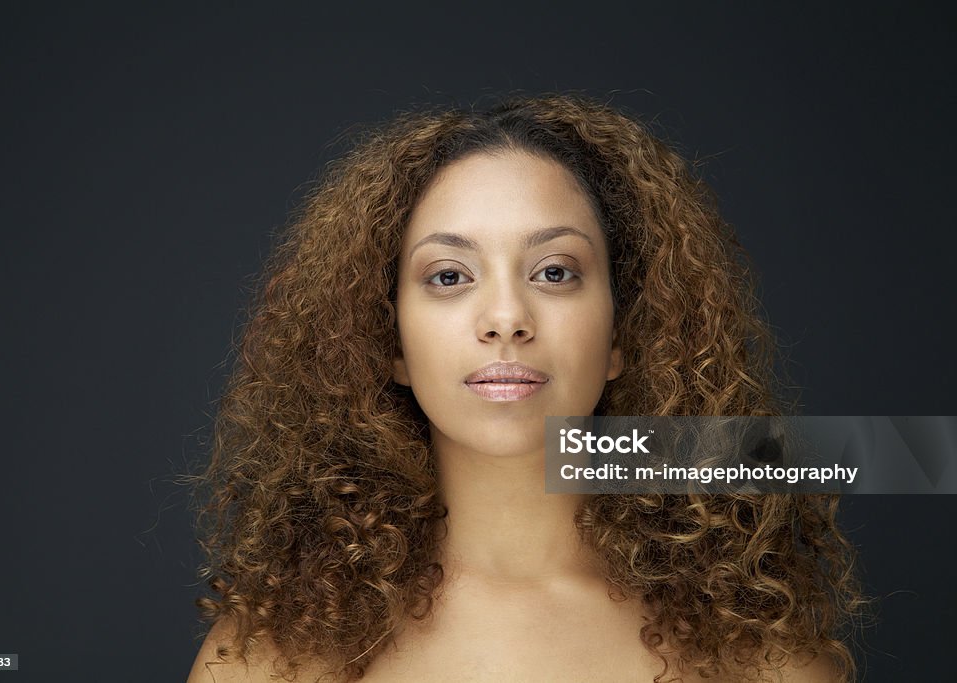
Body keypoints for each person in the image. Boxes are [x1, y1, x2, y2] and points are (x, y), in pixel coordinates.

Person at [185, 93, 863, 682]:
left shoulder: (759, 653)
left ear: (623, 335)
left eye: (555, 272)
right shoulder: (271, 655)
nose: (506, 318)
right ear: (388, 342)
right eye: (449, 276)